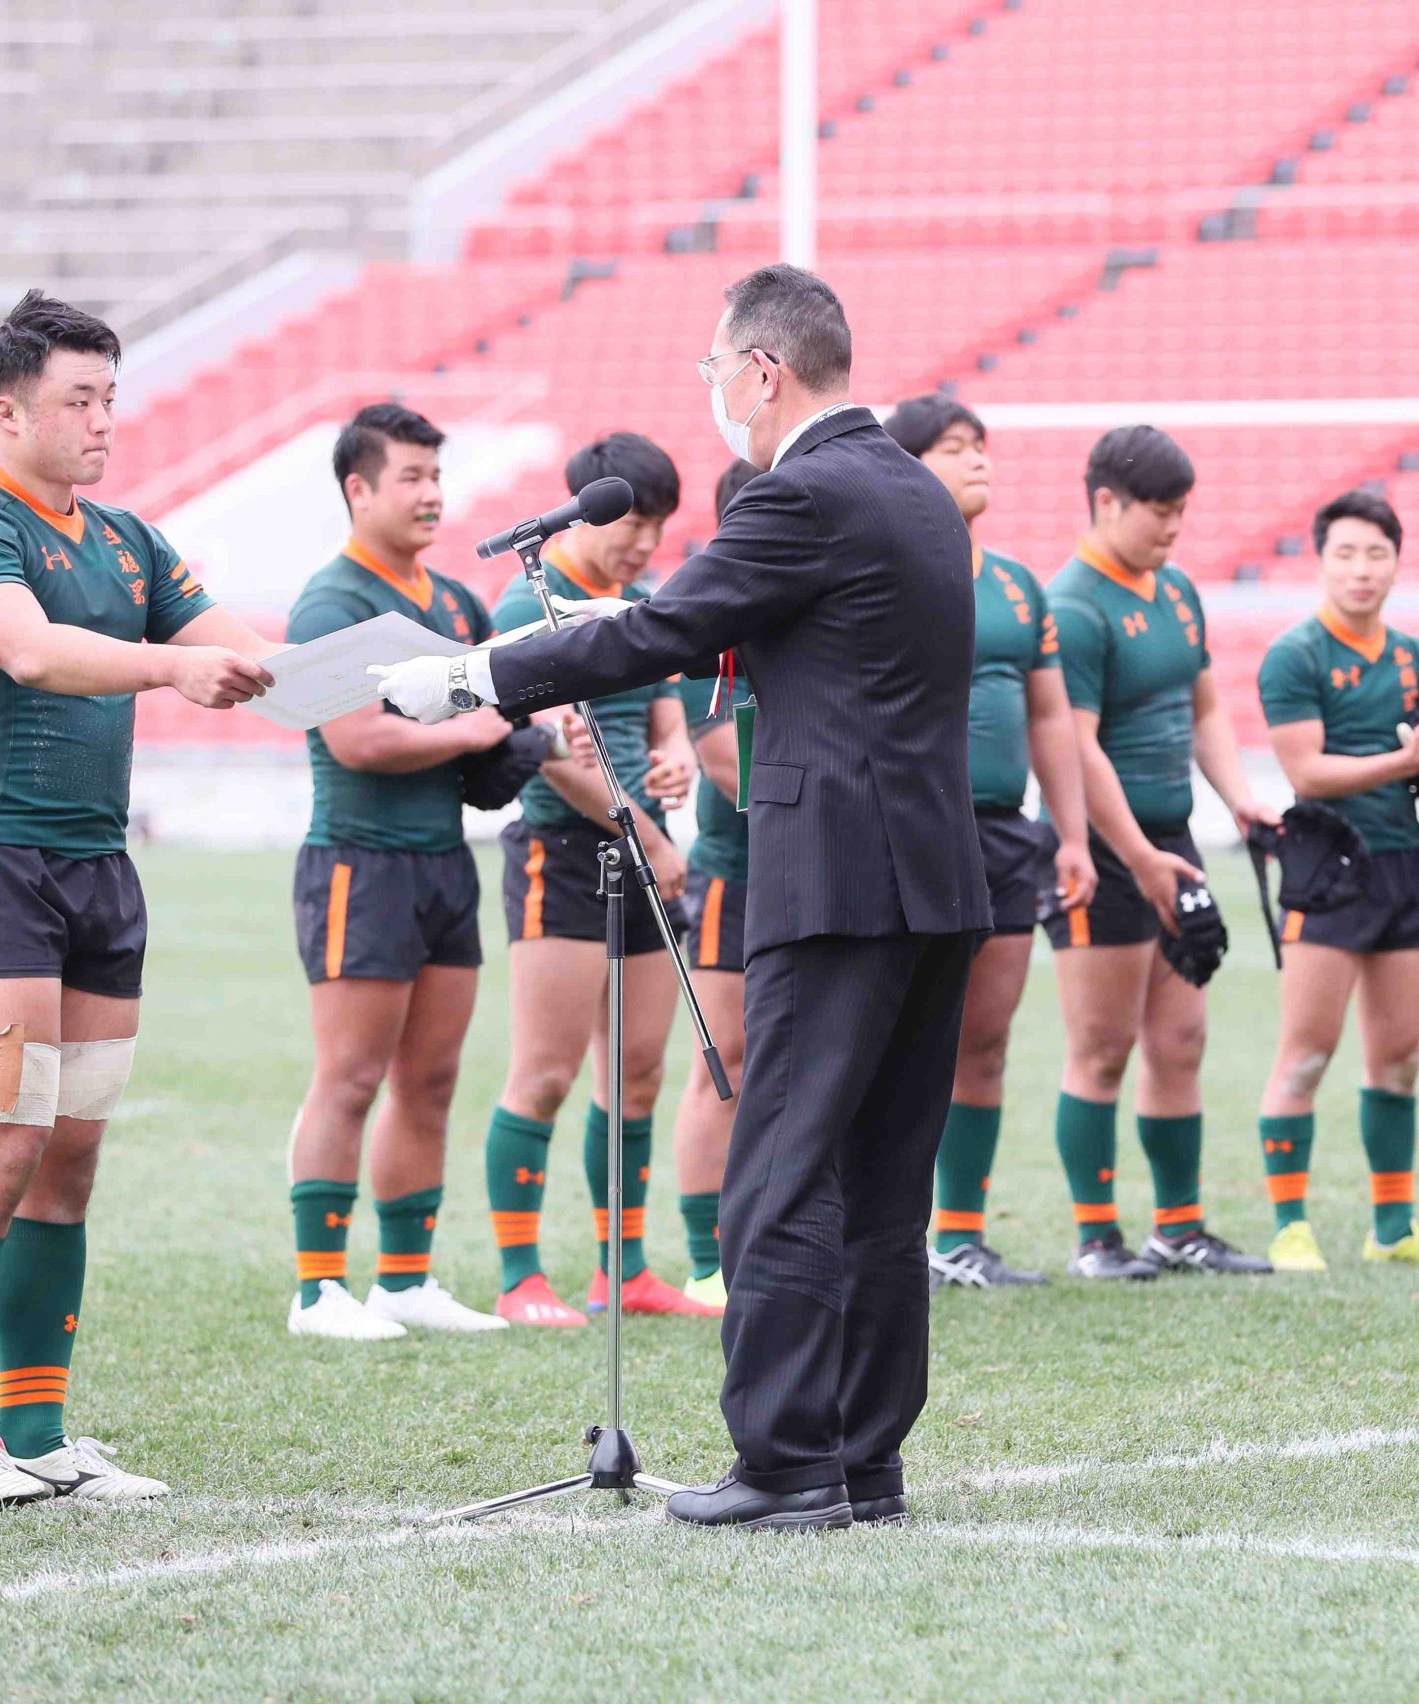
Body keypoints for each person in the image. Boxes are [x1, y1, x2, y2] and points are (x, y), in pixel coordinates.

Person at [377, 263, 992, 1530]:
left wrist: (478, 673)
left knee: (777, 1168)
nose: (715, 394)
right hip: (936, 880)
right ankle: (862, 1463)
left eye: (717, 371)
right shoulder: (917, 491)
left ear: (763, 370)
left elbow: (654, 627)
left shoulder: (805, 490)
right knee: (884, 1188)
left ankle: (782, 1461)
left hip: (840, 879)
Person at [0, 291, 276, 1504]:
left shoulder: (128, 538)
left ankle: (37, 1435)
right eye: (79, 398)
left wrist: (372, 675)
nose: (104, 418)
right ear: (8, 413)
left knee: (68, 1162)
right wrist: (175, 666)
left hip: (100, 876)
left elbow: (234, 644)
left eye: (111, 396)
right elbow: (30, 650)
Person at [285, 405, 537, 1340]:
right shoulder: (332, 603)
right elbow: (356, 742)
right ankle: (317, 1289)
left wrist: (524, 740)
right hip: (361, 866)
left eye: (438, 476)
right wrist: (477, 727)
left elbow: (488, 746)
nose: (433, 495)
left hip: (441, 866)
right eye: (412, 478)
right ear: (359, 489)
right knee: (349, 1077)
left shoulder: (456, 603)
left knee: (429, 1080)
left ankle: (404, 1279)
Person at [480, 432, 711, 1326]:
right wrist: (647, 827)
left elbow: (661, 707)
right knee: (542, 1073)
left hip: (643, 849)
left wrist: (673, 756)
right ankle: (518, 1278)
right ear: (580, 508)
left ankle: (624, 1271)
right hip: (562, 856)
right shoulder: (524, 600)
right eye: (630, 524)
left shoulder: (641, 599)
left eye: (656, 526)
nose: (644, 544)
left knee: (639, 1070)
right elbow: (546, 756)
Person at [1044, 425, 1279, 1279]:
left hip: (1173, 843)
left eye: (1182, 512)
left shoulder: (1177, 591)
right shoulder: (1073, 605)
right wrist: (1136, 853)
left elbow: (1205, 708)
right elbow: (1077, 745)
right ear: (1106, 501)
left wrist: (1241, 801)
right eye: (1160, 512)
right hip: (1104, 850)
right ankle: (1096, 1237)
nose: (1174, 528)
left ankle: (1179, 1227)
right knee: (1102, 1046)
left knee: (1180, 1039)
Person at [882, 394, 1096, 1289]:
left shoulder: (1017, 583)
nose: (980, 464)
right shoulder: (884, 565)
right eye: (956, 449)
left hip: (1005, 835)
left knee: (985, 1039)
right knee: (894, 1037)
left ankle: (959, 1234)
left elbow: (1051, 715)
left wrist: (1072, 836)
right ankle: (890, 1235)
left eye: (983, 448)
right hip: (906, 826)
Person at [1253, 490, 1419, 1270]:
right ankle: (1291, 1227)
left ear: (1396, 562)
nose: (1362, 569)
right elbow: (1307, 772)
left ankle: (1393, 1231)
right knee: (1307, 1054)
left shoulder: (1418, 658)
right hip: (1328, 869)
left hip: (1405, 868)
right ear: (1322, 560)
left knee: (1399, 1060)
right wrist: (1410, 760)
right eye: (1346, 553)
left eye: (1376, 554)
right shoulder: (1295, 655)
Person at [664, 458, 764, 1313]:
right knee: (722, 1064)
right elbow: (723, 755)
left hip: (816, 876)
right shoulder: (714, 609)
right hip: (739, 872)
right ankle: (707, 1261)